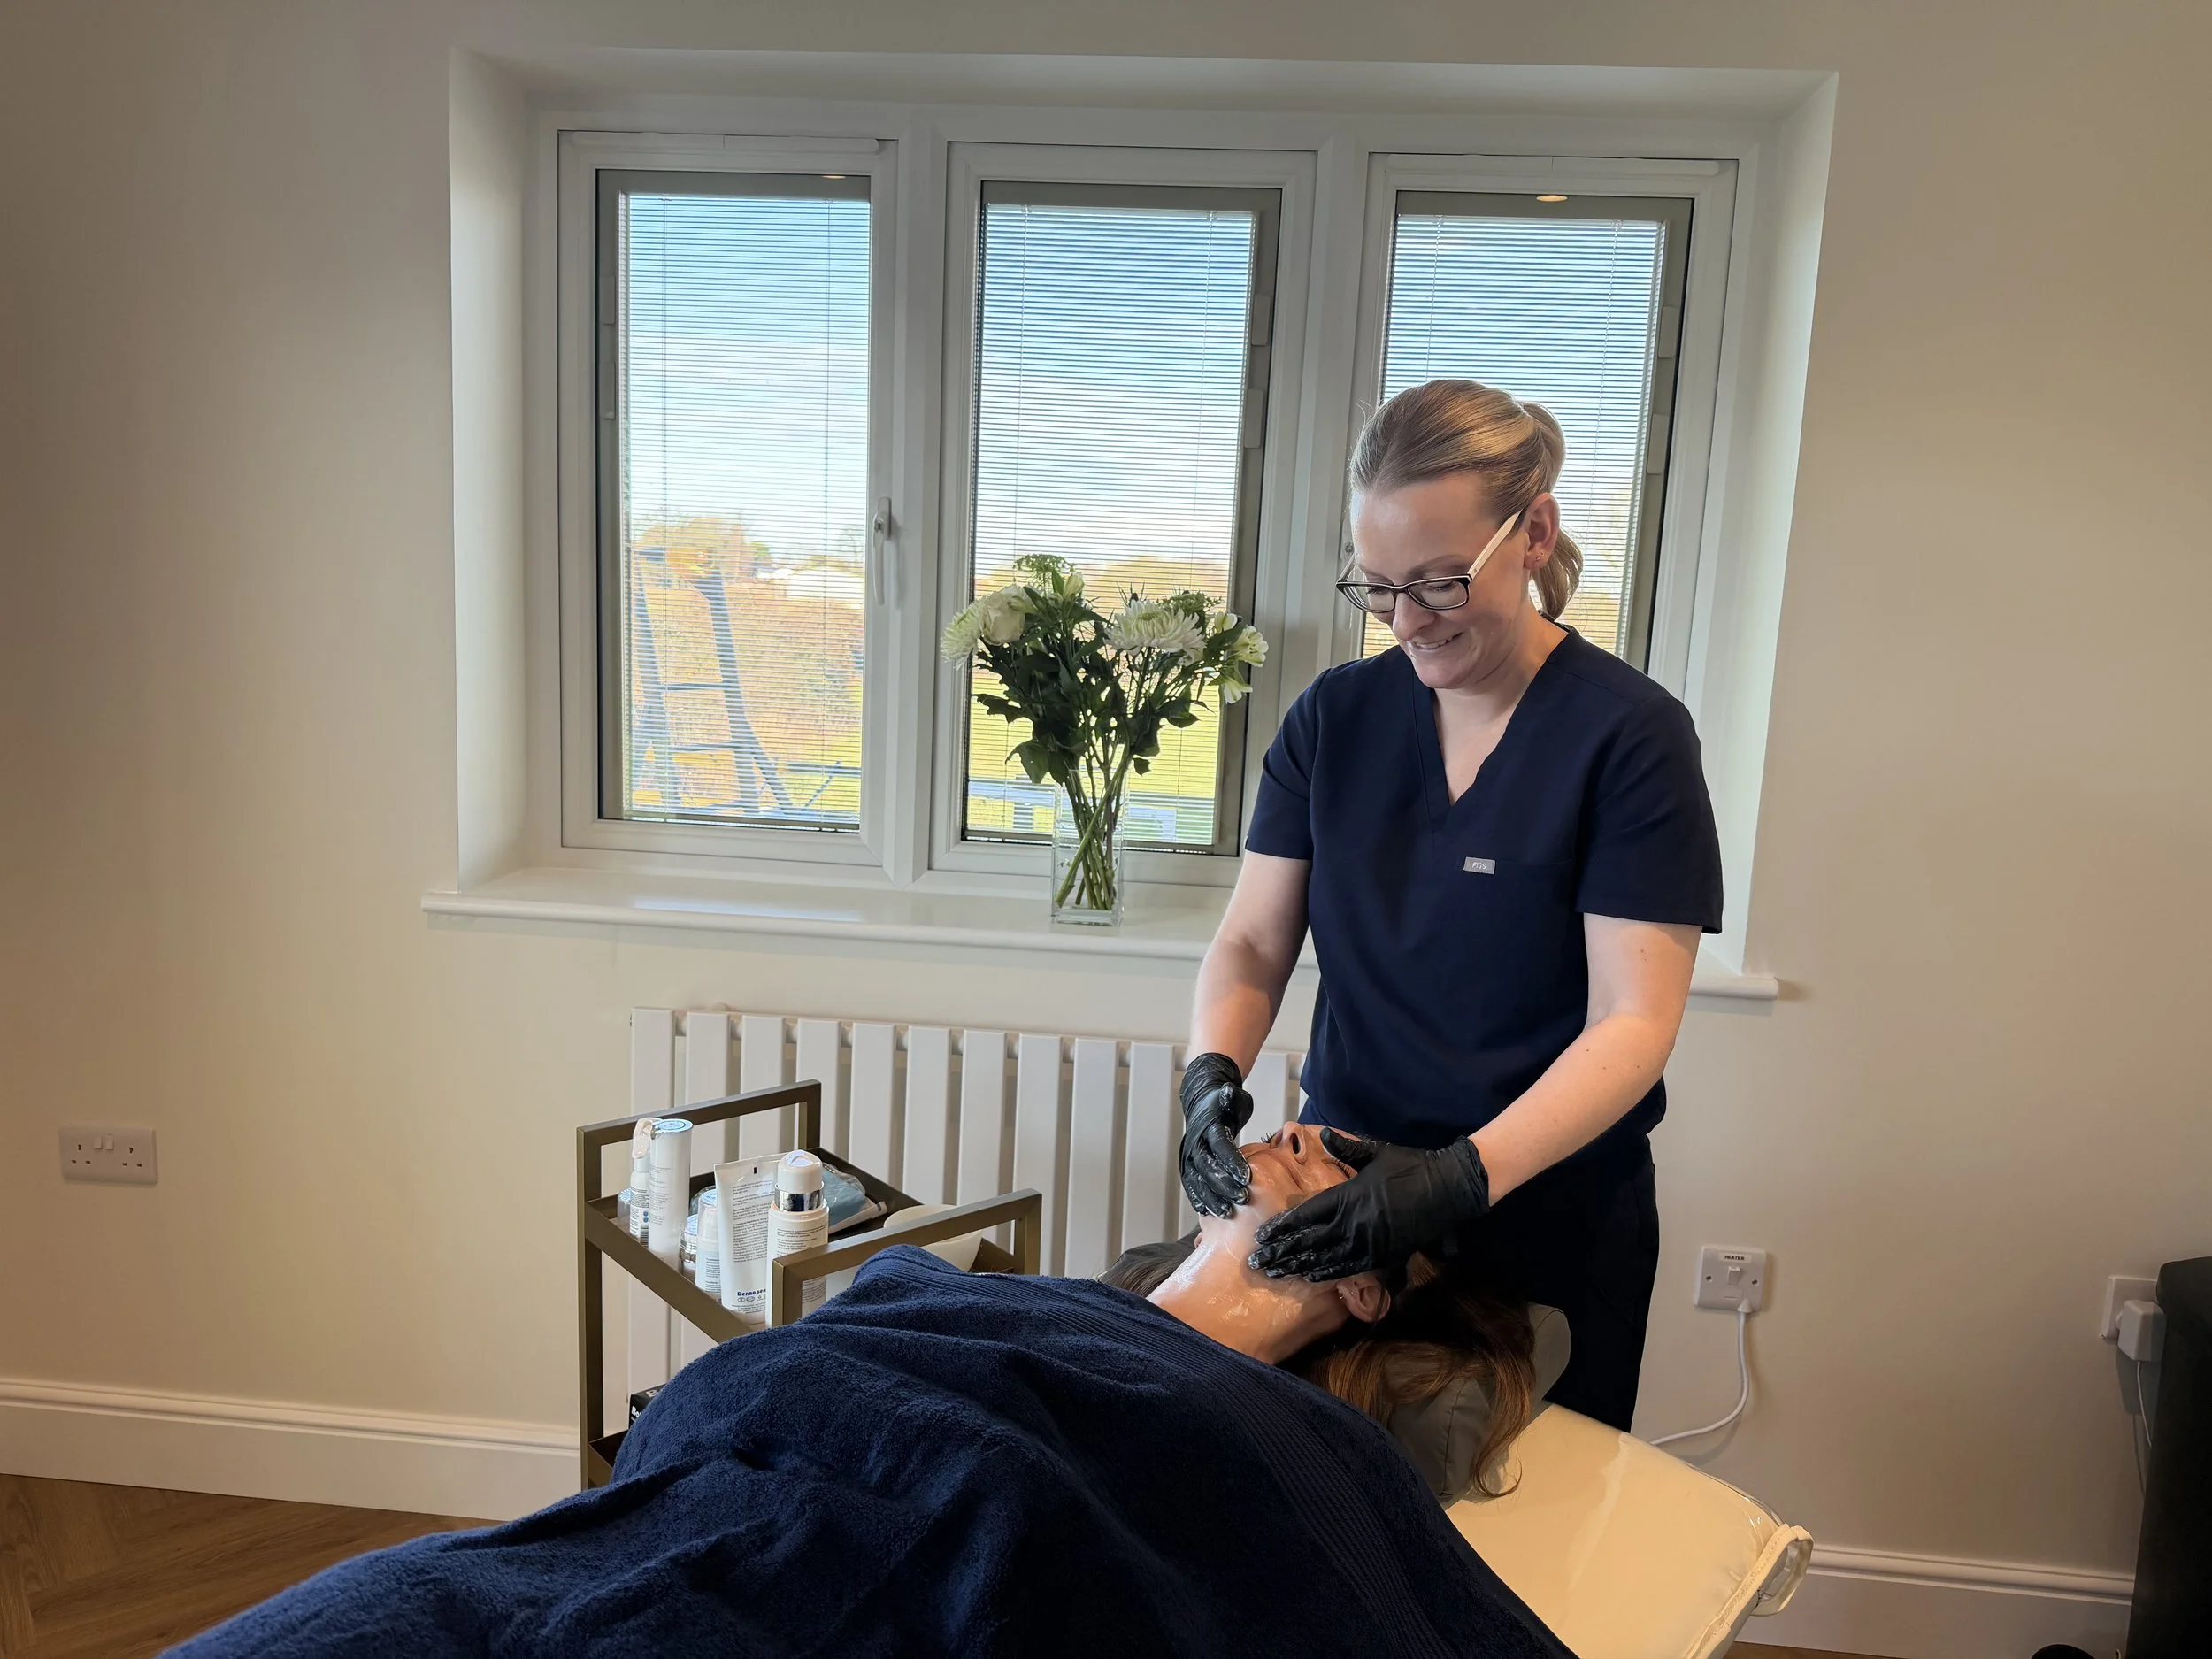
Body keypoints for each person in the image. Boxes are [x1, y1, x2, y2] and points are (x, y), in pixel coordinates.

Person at [1179, 379, 1723, 1432]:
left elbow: (1631, 1023)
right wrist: (1210, 1076)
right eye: (1377, 590)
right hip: (1339, 1203)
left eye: (1437, 583)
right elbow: (1251, 942)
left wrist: (1458, 1181)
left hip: (1546, 1209)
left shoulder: (1629, 740)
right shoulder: (1335, 719)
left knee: (1526, 1545)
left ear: (1534, 535)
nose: (1406, 623)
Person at [1109, 1122, 1538, 1494]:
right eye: (1267, 1138)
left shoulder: (1245, 1446)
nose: (1289, 1129)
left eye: (1339, 1167)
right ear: (1199, 1233)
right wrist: (1210, 1063)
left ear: (1362, 1290)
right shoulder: (1054, 1304)